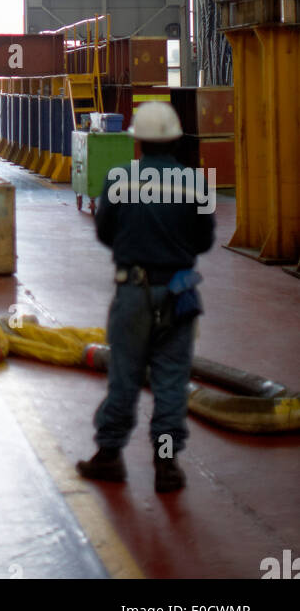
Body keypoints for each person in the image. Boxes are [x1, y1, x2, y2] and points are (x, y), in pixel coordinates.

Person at [76, 101, 215, 493]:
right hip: (179, 295)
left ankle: (109, 455)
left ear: (137, 142)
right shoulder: (196, 183)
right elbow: (204, 240)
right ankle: (166, 464)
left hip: (133, 293)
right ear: (174, 139)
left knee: (125, 375)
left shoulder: (119, 179)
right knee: (171, 381)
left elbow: (104, 232)